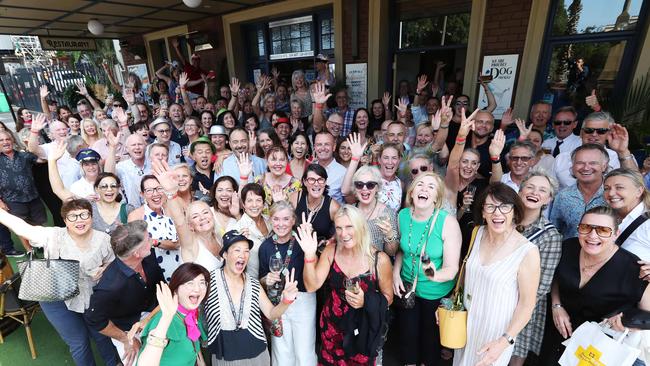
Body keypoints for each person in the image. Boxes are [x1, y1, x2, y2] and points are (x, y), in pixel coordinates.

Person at [0, 199, 118, 366]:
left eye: (84, 214)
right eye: (73, 216)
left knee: (102, 333)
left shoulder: (103, 239)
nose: (79, 220)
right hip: (55, 298)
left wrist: (105, 269)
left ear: (91, 217)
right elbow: (22, 228)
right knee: (79, 341)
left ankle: (115, 363)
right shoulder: (53, 235)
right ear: (64, 220)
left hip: (89, 294)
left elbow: (112, 262)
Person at [538, 206, 650, 365]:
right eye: (585, 228)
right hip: (557, 336)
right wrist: (556, 305)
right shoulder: (568, 248)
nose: (592, 235)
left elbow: (648, 317)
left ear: (616, 234)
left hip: (599, 350)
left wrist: (627, 321)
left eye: (603, 230)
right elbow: (557, 276)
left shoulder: (634, 270)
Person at [453, 183, 540, 366]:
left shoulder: (527, 251)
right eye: (490, 206)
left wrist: (504, 341)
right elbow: (465, 276)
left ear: (515, 212)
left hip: (496, 334)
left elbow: (527, 304)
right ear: (483, 212)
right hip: (466, 324)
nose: (497, 213)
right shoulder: (477, 233)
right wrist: (451, 306)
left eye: (504, 206)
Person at [297, 205, 393, 365]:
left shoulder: (379, 260)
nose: (343, 234)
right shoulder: (331, 250)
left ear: (361, 226)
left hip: (362, 332)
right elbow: (311, 286)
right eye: (339, 228)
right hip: (332, 329)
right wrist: (309, 255)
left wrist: (366, 301)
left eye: (349, 227)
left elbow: (389, 298)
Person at [392, 172, 462, 366]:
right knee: (407, 340)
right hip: (407, 289)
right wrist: (395, 273)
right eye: (420, 185)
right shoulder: (403, 216)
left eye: (431, 187)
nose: (424, 189)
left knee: (430, 345)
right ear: (412, 193)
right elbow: (402, 251)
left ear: (437, 197)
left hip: (435, 294)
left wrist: (433, 274)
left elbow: (452, 269)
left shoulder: (447, 222)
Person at [205, 230, 299, 365]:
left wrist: (286, 300)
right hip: (224, 356)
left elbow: (271, 313)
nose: (242, 255)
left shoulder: (253, 283)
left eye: (246, 251)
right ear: (225, 254)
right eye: (237, 250)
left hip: (256, 355)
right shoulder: (210, 280)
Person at [85, 220, 165, 365]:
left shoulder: (149, 255)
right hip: (126, 329)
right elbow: (95, 319)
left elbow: (162, 289)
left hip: (156, 316)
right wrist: (126, 339)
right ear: (136, 253)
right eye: (148, 240)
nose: (152, 242)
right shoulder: (109, 287)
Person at [511, 171, 562, 366]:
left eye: (542, 190)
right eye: (530, 187)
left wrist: (512, 306)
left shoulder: (550, 236)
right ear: (520, 190)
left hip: (523, 306)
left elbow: (542, 286)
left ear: (548, 199)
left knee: (513, 357)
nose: (534, 192)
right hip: (491, 298)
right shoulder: (501, 221)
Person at [258, 201, 318, 365]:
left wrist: (310, 248)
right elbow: (261, 279)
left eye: (286, 219)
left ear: (293, 220)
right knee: (281, 350)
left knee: (304, 351)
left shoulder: (302, 241)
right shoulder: (265, 247)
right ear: (270, 220)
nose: (281, 224)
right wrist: (266, 279)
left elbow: (315, 269)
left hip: (302, 300)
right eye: (276, 219)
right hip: (278, 302)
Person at [152, 160, 224, 272]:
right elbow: (180, 222)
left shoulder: (219, 238)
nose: (202, 218)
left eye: (205, 213)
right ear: (190, 225)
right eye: (195, 216)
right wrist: (171, 192)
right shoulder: (190, 243)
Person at [136, 264, 210, 366]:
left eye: (202, 283)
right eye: (190, 283)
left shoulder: (191, 313)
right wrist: (166, 318)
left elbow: (194, 345)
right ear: (176, 289)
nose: (197, 289)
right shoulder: (163, 320)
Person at [341, 134, 399, 253]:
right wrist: (355, 158)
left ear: (378, 187)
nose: (365, 188)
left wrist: (389, 235)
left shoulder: (389, 213)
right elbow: (345, 191)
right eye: (359, 185)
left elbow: (392, 252)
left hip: (377, 268)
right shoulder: (350, 211)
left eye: (371, 185)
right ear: (355, 189)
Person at [0, 129, 46, 256]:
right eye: (1, 140)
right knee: (20, 226)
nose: (5, 142)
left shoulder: (24, 155)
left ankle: (40, 244)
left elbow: (42, 160)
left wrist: (32, 145)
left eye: (8, 139)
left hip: (32, 196)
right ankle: (29, 250)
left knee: (38, 222)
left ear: (13, 140)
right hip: (12, 200)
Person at [127, 175, 180, 282]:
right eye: (149, 190)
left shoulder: (173, 210)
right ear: (142, 194)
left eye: (159, 188)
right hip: (153, 273)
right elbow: (135, 249)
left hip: (178, 267)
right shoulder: (136, 216)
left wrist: (154, 241)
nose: (155, 194)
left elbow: (180, 242)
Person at [550, 143, 608, 239]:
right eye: (580, 163)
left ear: (604, 166)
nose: (586, 167)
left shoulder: (613, 195)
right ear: (573, 167)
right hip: (571, 252)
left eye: (593, 163)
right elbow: (555, 230)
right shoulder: (563, 196)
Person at [226, 183, 271, 279]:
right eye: (249, 201)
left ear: (263, 203)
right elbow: (229, 262)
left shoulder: (270, 222)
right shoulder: (237, 229)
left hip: (272, 279)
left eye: (258, 200)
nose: (254, 205)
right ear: (243, 205)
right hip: (251, 282)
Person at [604, 168, 650, 259]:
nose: (611, 193)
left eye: (619, 187)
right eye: (606, 188)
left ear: (639, 191)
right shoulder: (604, 217)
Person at [292, 164, 341, 241]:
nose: (316, 184)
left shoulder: (333, 207)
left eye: (320, 179)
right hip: (294, 248)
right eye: (311, 179)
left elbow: (342, 230)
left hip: (320, 251)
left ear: (325, 182)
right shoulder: (295, 198)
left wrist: (330, 241)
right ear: (305, 182)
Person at [313, 131, 346, 203]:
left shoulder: (344, 173)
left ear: (334, 147)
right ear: (314, 147)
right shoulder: (309, 168)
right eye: (319, 144)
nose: (323, 148)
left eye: (327, 144)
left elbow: (350, 202)